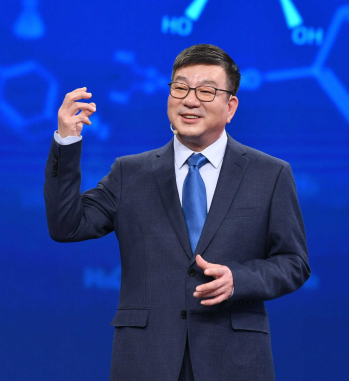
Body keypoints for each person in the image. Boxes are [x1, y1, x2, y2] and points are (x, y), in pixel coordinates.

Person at [44, 44, 310, 381]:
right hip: (146, 360)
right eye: (180, 88)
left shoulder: (270, 174)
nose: (190, 100)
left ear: (231, 106)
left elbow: (294, 263)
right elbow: (66, 225)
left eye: (206, 91)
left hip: (234, 361)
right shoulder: (130, 173)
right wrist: (66, 142)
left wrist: (239, 280)